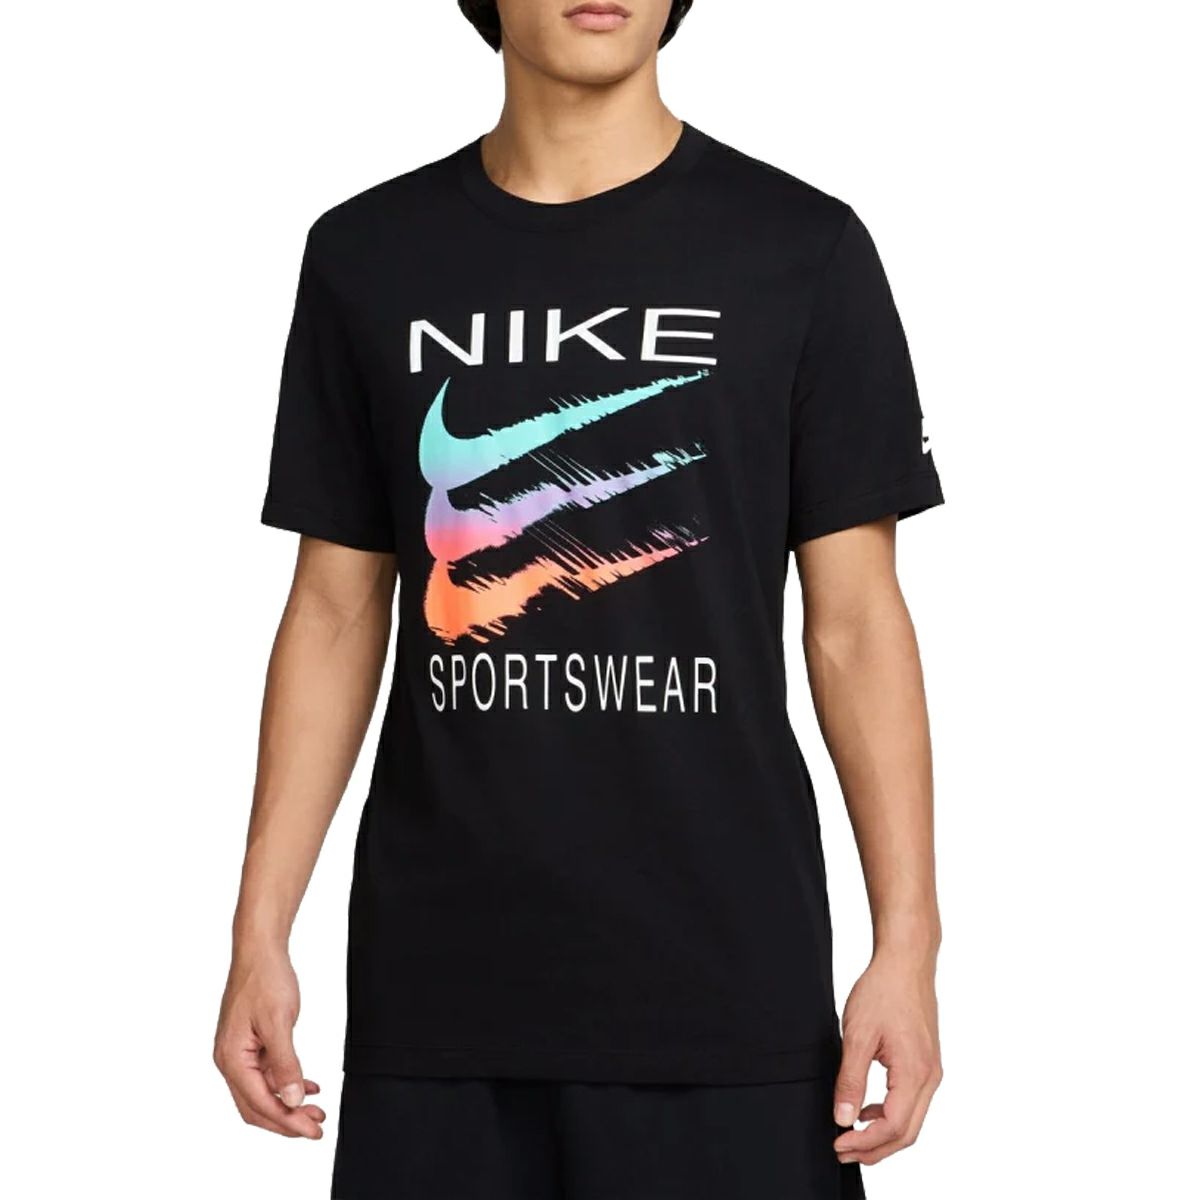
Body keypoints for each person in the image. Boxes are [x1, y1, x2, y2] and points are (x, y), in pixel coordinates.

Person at [214, 1, 945, 1195]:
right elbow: (335, 610)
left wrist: (907, 945)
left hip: (730, 994)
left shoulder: (800, 249)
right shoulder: (368, 256)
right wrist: (259, 928)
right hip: (442, 997)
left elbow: (858, 626)